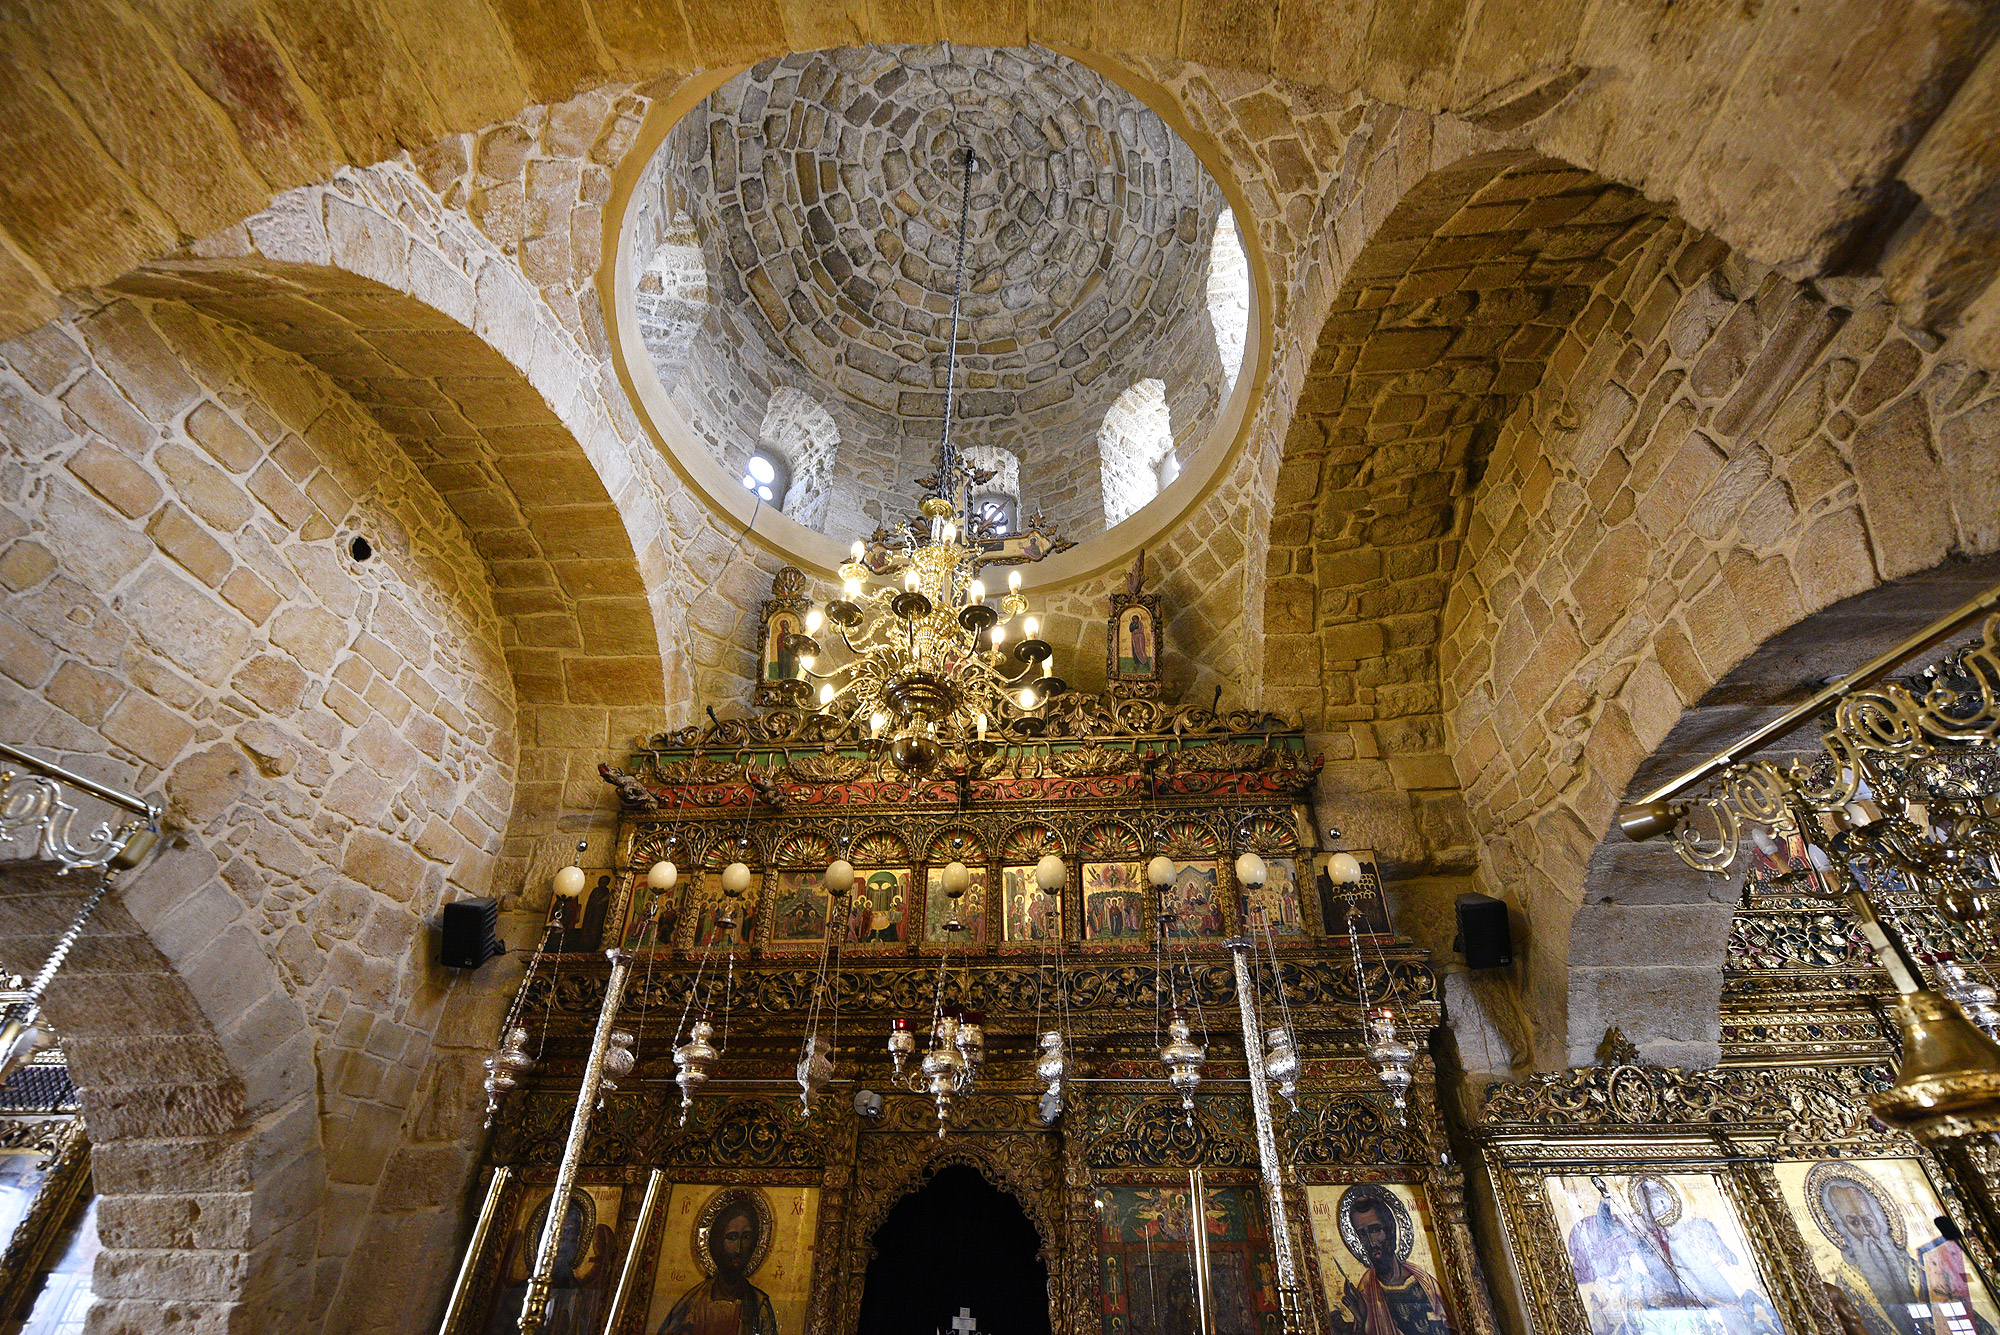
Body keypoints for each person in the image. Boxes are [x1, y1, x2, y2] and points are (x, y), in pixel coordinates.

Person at [1815, 1169, 1995, 1335]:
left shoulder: (1919, 1267)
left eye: (1869, 1221)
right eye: (1853, 1223)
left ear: (1882, 1221)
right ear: (1842, 1230)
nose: (1865, 1231)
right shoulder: (1845, 1281)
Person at [1332, 1187, 1455, 1335]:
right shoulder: (1366, 1291)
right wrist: (1360, 1319)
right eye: (1363, 1234)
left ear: (1390, 1229)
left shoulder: (1426, 1283)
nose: (1371, 1243)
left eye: (1375, 1230)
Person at [659, 1198, 778, 1335]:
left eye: (746, 1237)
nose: (738, 1249)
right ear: (718, 1241)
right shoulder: (693, 1302)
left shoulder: (758, 1304)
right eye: (732, 1238)